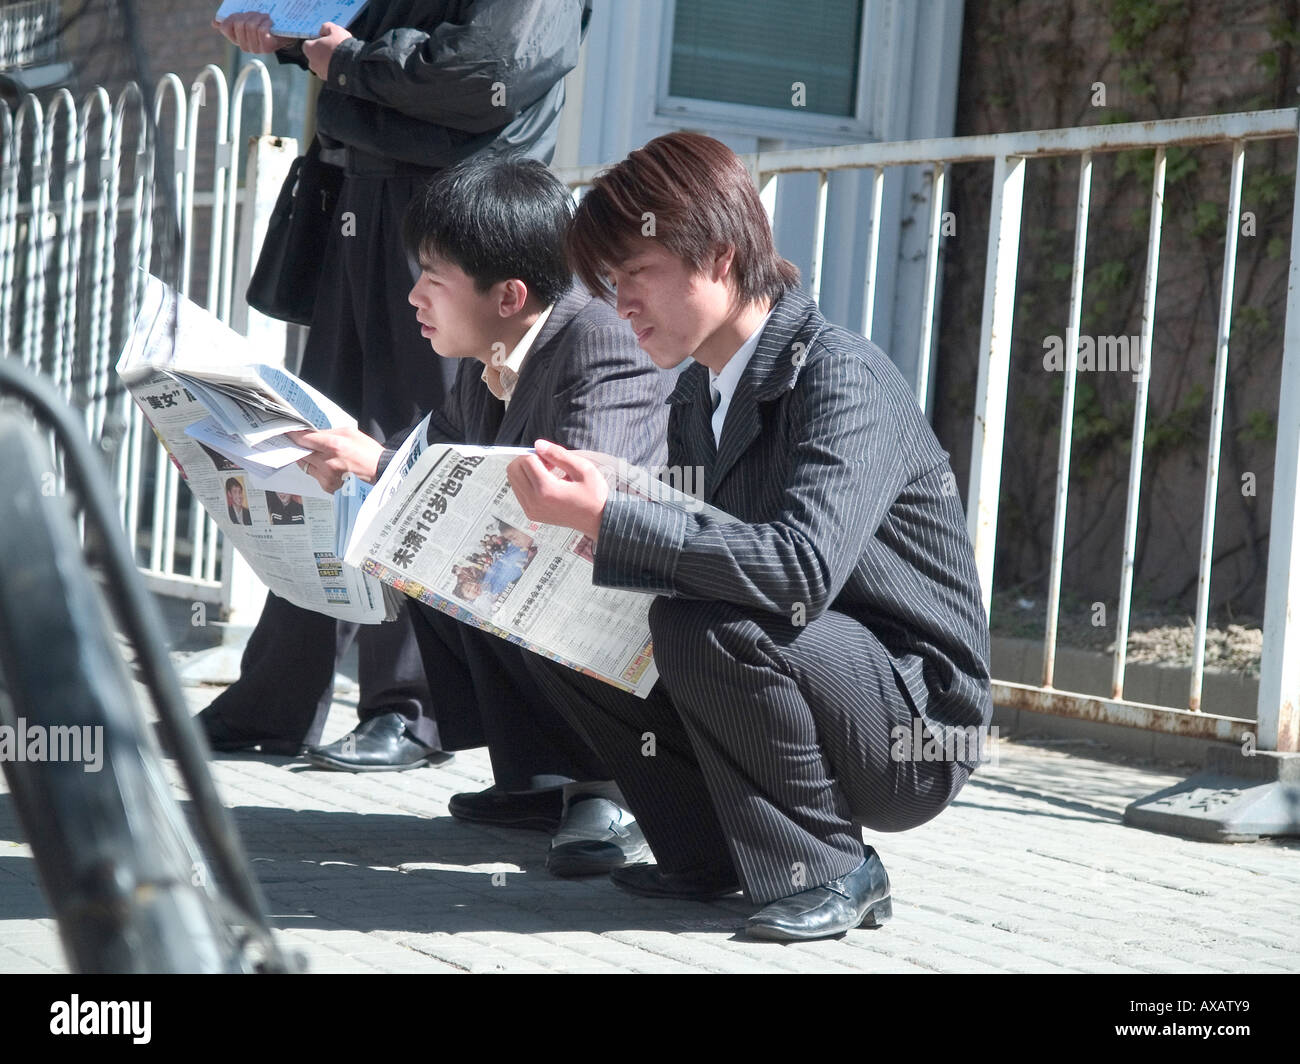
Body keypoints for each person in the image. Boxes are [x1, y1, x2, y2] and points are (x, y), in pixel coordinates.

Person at [505, 132, 993, 940]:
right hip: (816, 667)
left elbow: (799, 572)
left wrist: (617, 522)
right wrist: (590, 541)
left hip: (913, 722)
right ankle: (709, 856)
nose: (620, 302)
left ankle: (836, 867)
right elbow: (710, 552)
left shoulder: (841, 375)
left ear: (720, 257)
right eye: (610, 282)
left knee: (708, 627)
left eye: (636, 276)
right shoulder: (699, 391)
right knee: (565, 621)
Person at [200, 2, 591, 758]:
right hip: (364, 193)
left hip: (460, 213)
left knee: (426, 446)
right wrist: (290, 36)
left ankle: (412, 707)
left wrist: (349, 63)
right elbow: (359, 24)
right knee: (321, 445)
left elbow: (487, 73)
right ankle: (275, 701)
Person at [289, 155, 672, 876]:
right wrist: (331, 456)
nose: (413, 297)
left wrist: (379, 469)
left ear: (509, 295)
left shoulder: (599, 342)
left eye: (433, 277)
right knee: (423, 544)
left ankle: (616, 786)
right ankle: (540, 780)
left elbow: (577, 501)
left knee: (509, 549)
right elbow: (427, 451)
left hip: (631, 618)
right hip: (565, 601)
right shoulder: (487, 357)